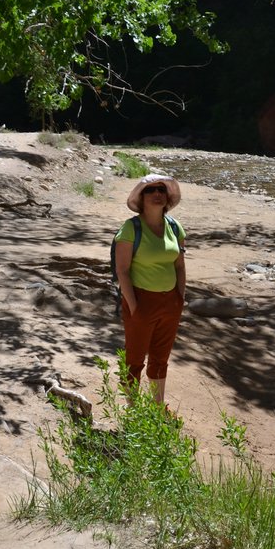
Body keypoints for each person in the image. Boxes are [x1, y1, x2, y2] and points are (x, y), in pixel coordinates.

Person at [114, 174, 186, 412]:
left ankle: (156, 408)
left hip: (170, 303)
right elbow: (122, 271)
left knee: (160, 358)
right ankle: (133, 408)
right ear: (141, 197)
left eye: (162, 190)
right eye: (151, 190)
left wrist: (180, 297)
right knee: (135, 359)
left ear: (168, 198)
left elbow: (179, 264)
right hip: (141, 300)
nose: (157, 194)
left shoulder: (174, 227)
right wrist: (134, 306)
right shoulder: (130, 228)